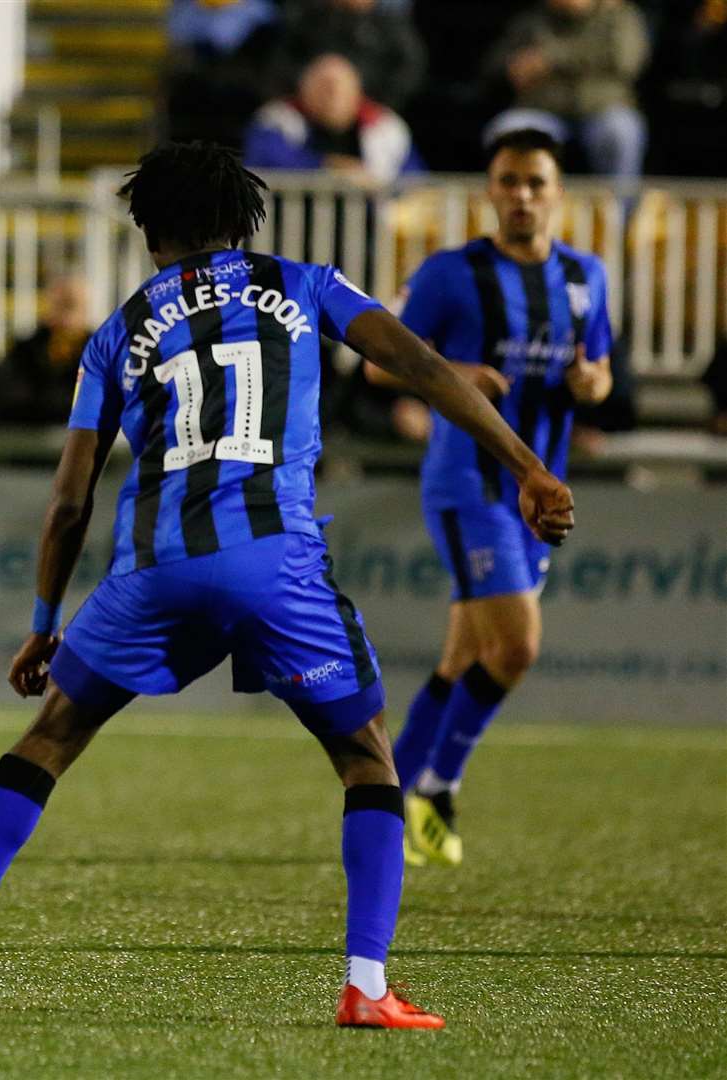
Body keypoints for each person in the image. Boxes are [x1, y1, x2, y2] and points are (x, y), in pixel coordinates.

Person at [0, 142, 575, 1027]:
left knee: (45, 741)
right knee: (366, 759)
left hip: (155, 570)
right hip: (275, 565)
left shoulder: (117, 329)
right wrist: (526, 468)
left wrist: (45, 620)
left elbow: (68, 500)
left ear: (149, 232)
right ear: (246, 221)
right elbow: (427, 371)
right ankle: (364, 986)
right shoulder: (308, 284)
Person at [367, 129, 613, 867]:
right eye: (507, 182)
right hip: (466, 485)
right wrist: (454, 374)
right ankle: (437, 790)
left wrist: (589, 386)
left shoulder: (585, 275)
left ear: (556, 192)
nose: (521, 196)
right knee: (515, 646)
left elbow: (599, 371)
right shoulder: (450, 275)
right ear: (489, 192)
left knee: (461, 660)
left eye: (535, 183)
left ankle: (386, 807)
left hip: (537, 494)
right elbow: (380, 368)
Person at [482, 0, 649, 186]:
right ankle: (516, 209)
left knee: (620, 132)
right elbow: (495, 62)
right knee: (507, 129)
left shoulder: (618, 15)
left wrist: (551, 59)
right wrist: (514, 66)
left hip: (603, 110)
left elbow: (627, 60)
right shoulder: (534, 18)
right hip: (543, 110)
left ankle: (619, 213)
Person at [244, 53, 424, 186]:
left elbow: (414, 183)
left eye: (340, 87)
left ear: (358, 93)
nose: (332, 95)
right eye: (324, 87)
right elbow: (266, 164)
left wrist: (373, 183)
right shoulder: (275, 120)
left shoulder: (387, 128)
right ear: (303, 90)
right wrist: (331, 169)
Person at [272, 0, 427, 114]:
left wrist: (367, 100)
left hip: (368, 108)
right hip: (302, 107)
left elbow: (408, 68)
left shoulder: (390, 26)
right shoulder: (308, 18)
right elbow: (282, 62)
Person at [0, 277, 91, 427]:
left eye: (72, 305)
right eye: (61, 304)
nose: (67, 314)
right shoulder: (24, 352)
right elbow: (4, 402)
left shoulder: (103, 355)